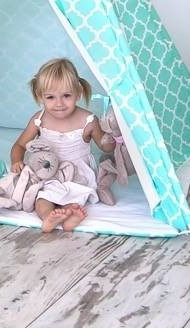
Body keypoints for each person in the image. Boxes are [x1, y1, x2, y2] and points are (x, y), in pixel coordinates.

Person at [10, 58, 115, 233]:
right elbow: (20, 145)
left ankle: (70, 215)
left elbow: (106, 147)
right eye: (50, 97)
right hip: (49, 173)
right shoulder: (39, 119)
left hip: (78, 174)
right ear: (40, 96)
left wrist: (115, 137)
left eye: (66, 96)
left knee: (76, 196)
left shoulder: (88, 120)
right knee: (42, 198)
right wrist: (16, 161)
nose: (59, 104)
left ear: (78, 93)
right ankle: (49, 217)